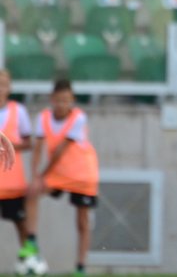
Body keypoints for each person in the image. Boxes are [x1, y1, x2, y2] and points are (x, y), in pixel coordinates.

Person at [26, 80, 100, 277]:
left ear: (72, 100)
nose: (62, 104)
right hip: (58, 173)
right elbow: (37, 149)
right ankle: (31, 241)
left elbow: (59, 151)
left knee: (82, 221)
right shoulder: (43, 117)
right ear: (52, 99)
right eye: (58, 100)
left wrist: (42, 175)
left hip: (82, 173)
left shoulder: (79, 118)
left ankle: (80, 267)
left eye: (66, 100)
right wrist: (35, 176)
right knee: (32, 192)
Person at [0, 71, 32, 253]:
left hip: (12, 183)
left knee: (21, 222)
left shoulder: (18, 111)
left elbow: (28, 142)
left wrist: (9, 146)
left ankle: (29, 258)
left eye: (3, 84)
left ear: (9, 88)